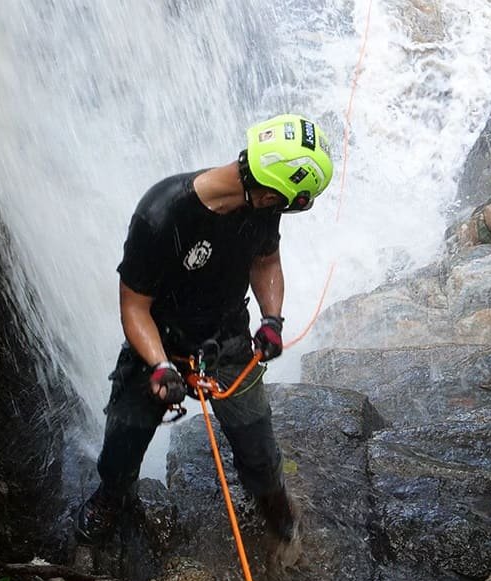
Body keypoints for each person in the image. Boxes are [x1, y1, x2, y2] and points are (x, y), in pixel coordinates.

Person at [76, 113, 334, 546]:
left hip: (228, 337)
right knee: (124, 438)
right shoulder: (161, 215)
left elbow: (265, 260)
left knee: (259, 447)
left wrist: (271, 319)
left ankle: (273, 503)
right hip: (161, 342)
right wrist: (159, 367)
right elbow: (134, 308)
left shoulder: (261, 206)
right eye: (284, 203)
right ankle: (112, 495)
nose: (282, 211)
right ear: (270, 191)